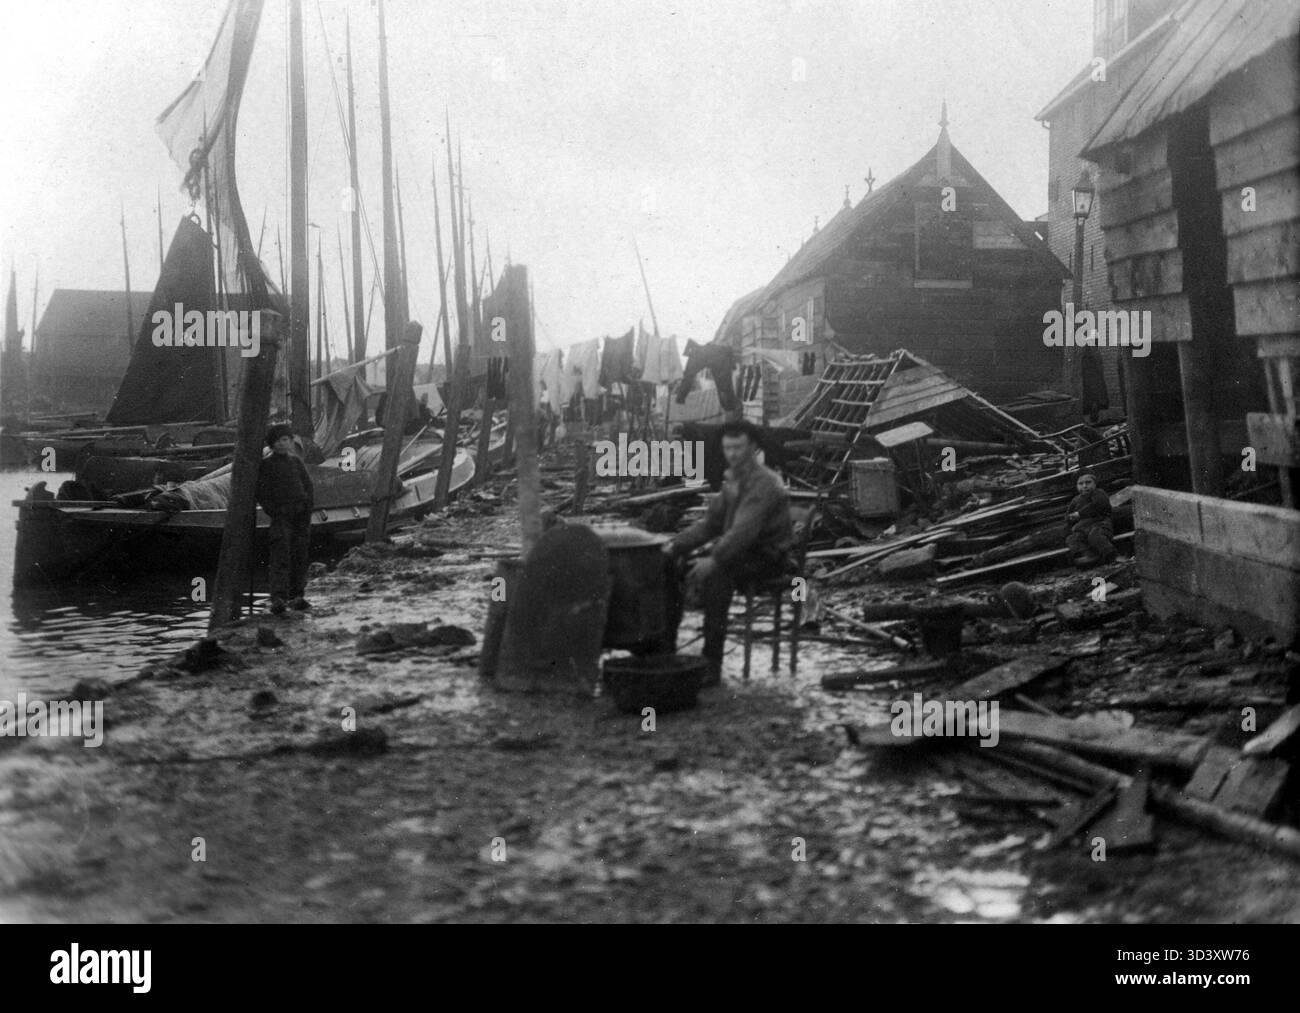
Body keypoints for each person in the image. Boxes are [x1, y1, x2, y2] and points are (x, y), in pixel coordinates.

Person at [662, 419, 794, 685]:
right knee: (669, 565)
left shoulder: (765, 482)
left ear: (753, 446)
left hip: (769, 557)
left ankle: (712, 662)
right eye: (728, 448)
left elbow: (743, 532)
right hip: (741, 552)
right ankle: (665, 651)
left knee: (716, 576)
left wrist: (714, 559)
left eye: (739, 447)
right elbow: (711, 524)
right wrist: (675, 546)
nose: (732, 454)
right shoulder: (733, 479)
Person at [256, 423, 315, 614]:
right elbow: (263, 493)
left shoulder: (296, 462)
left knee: (299, 556)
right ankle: (278, 598)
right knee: (280, 556)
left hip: (300, 515)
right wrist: (274, 511)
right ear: (271, 445)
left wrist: (306, 510)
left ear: (290, 441)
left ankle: (297, 595)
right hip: (281, 516)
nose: (281, 444)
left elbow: (308, 487)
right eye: (277, 441)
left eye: (285, 440)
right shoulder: (266, 464)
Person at [1065, 472, 1116, 566]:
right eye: (1080, 484)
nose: (1084, 486)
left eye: (1088, 482)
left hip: (1100, 523)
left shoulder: (1098, 493)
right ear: (1076, 486)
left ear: (1095, 484)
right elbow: (1068, 516)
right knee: (1072, 539)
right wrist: (1070, 518)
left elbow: (1099, 505)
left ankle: (1111, 555)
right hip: (1082, 528)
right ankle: (1089, 556)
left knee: (1095, 536)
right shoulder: (1075, 500)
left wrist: (1080, 514)